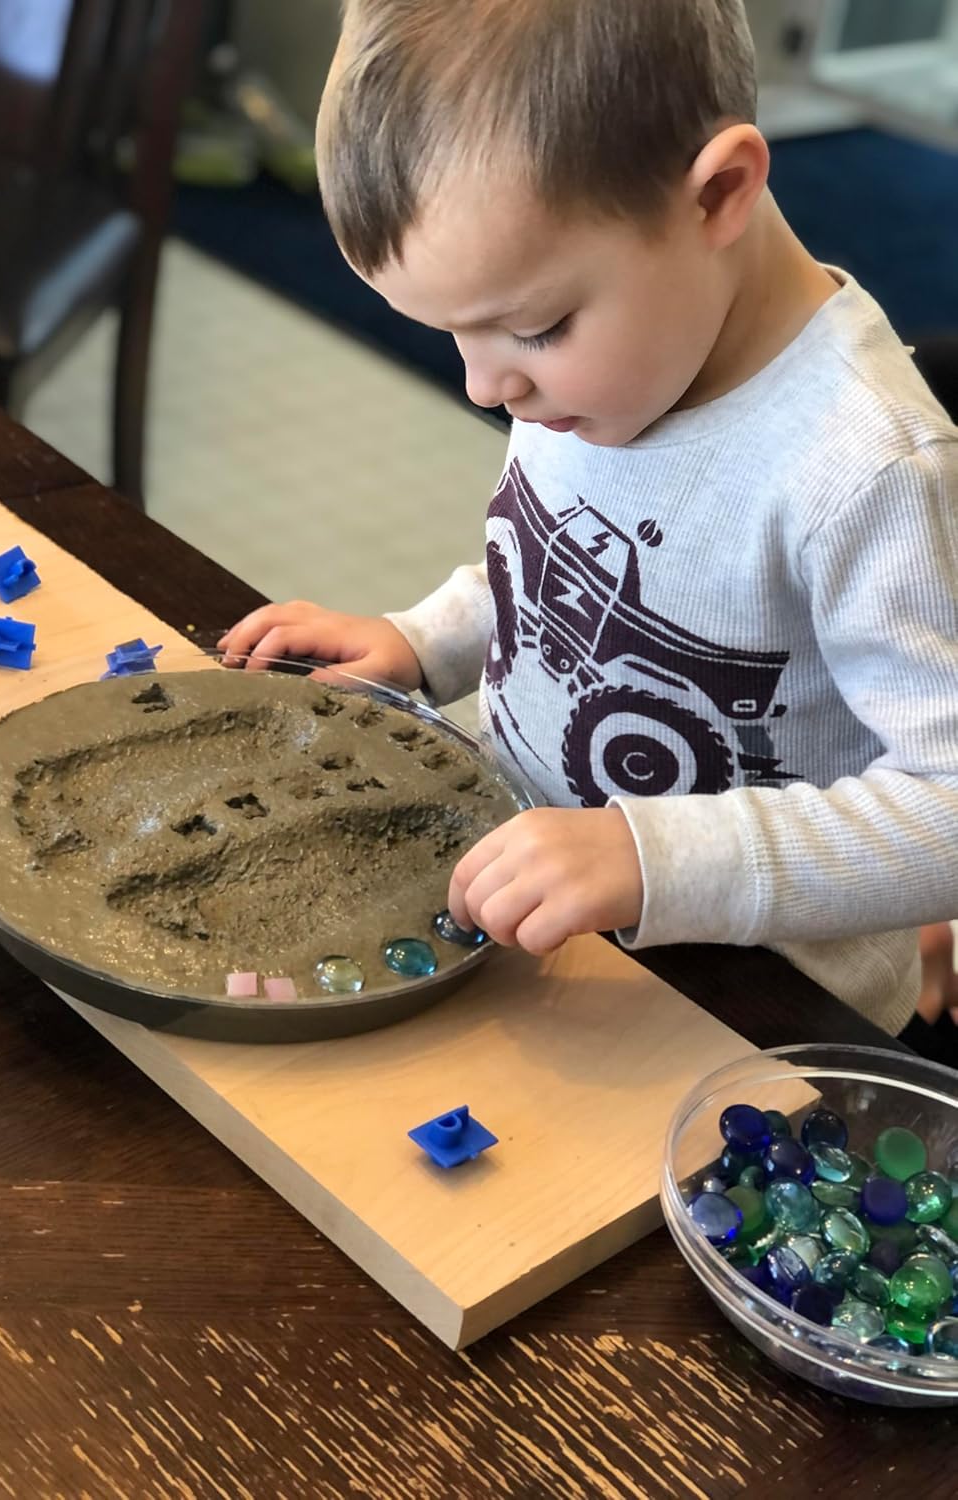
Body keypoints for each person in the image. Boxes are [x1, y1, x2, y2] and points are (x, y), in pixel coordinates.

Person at [219, 0, 958, 1041]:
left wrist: (654, 859)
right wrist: (426, 639)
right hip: (533, 924)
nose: (485, 387)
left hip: (744, 1027)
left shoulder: (867, 468)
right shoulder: (604, 367)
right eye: (453, 338)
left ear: (720, 195)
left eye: (530, 326)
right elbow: (558, 560)